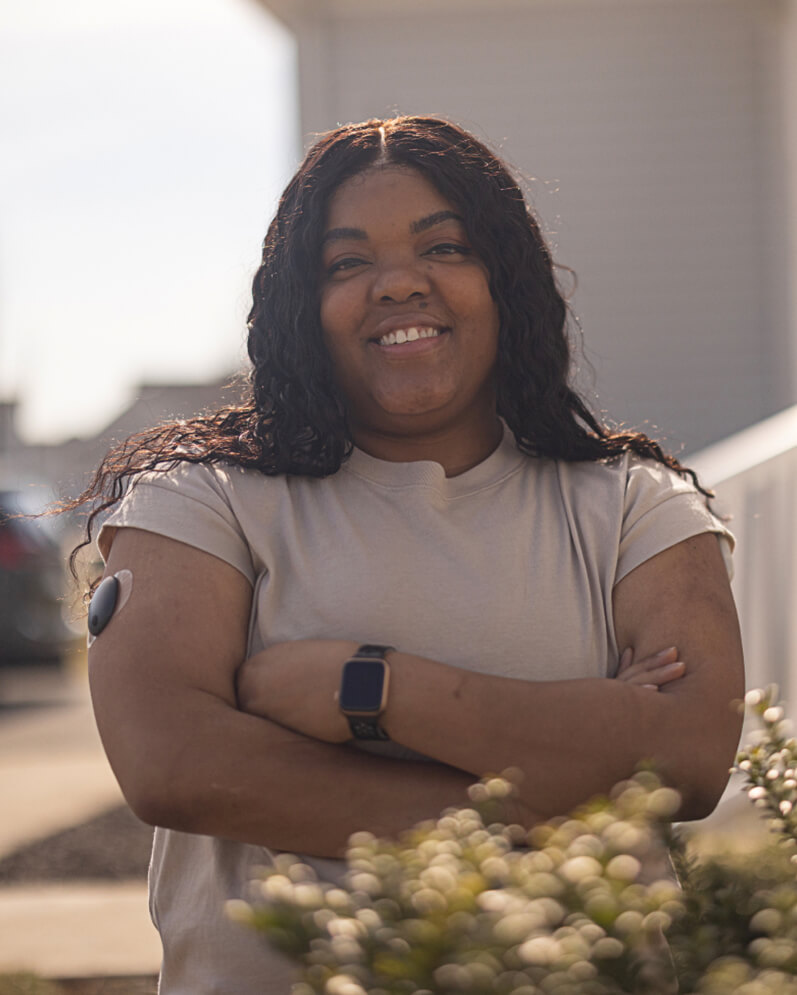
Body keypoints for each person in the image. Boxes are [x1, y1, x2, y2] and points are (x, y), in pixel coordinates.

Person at [77, 116, 744, 994]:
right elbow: (174, 763)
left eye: (446, 247)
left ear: (505, 282)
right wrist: (539, 808)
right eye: (346, 263)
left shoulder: (631, 507)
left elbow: (685, 759)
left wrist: (369, 689)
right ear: (300, 308)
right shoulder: (203, 500)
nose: (398, 283)